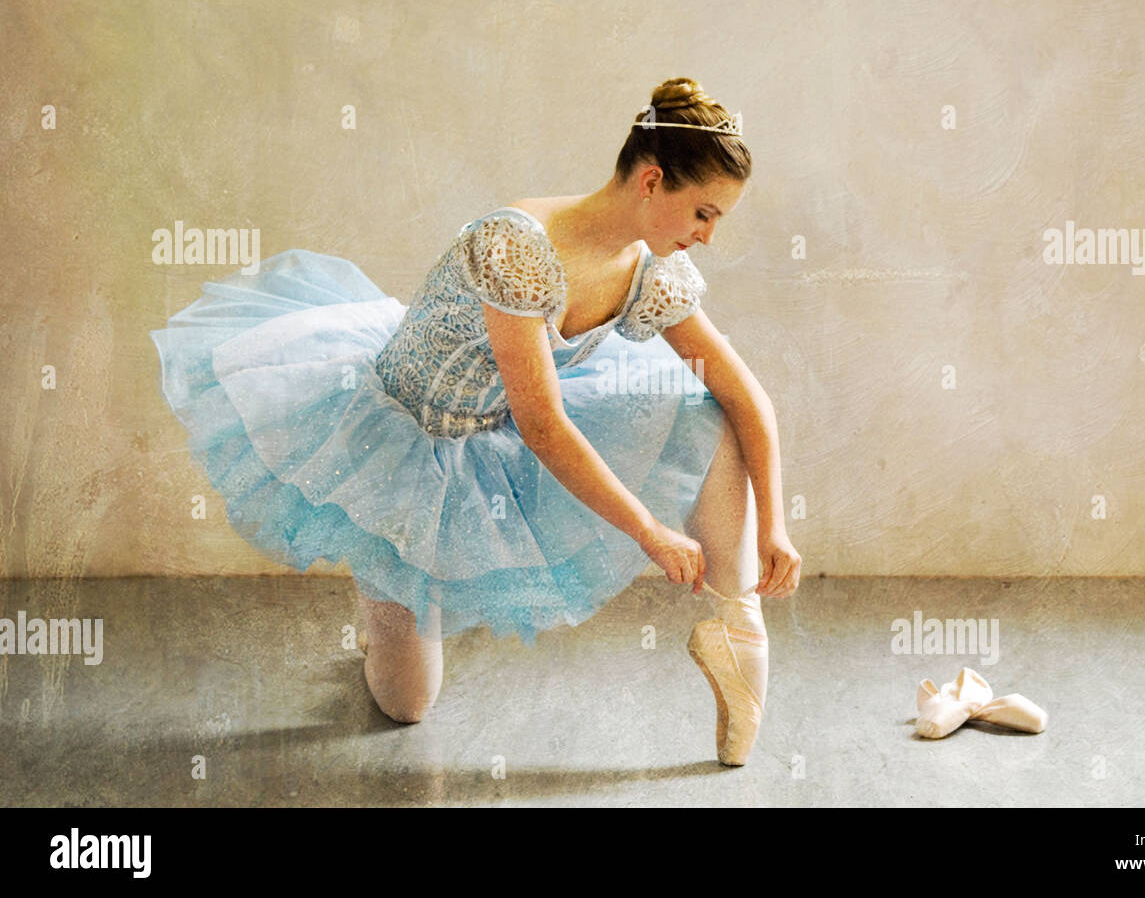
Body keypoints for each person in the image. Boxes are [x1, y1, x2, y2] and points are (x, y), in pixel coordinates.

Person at [149, 76, 800, 766]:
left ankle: (740, 631)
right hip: (397, 436)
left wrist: (777, 525)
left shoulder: (648, 269)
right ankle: (380, 583)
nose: (709, 235)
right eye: (703, 213)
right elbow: (544, 424)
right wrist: (648, 530)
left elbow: (743, 392)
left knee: (704, 407)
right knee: (408, 705)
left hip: (493, 429)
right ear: (651, 180)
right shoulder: (517, 245)